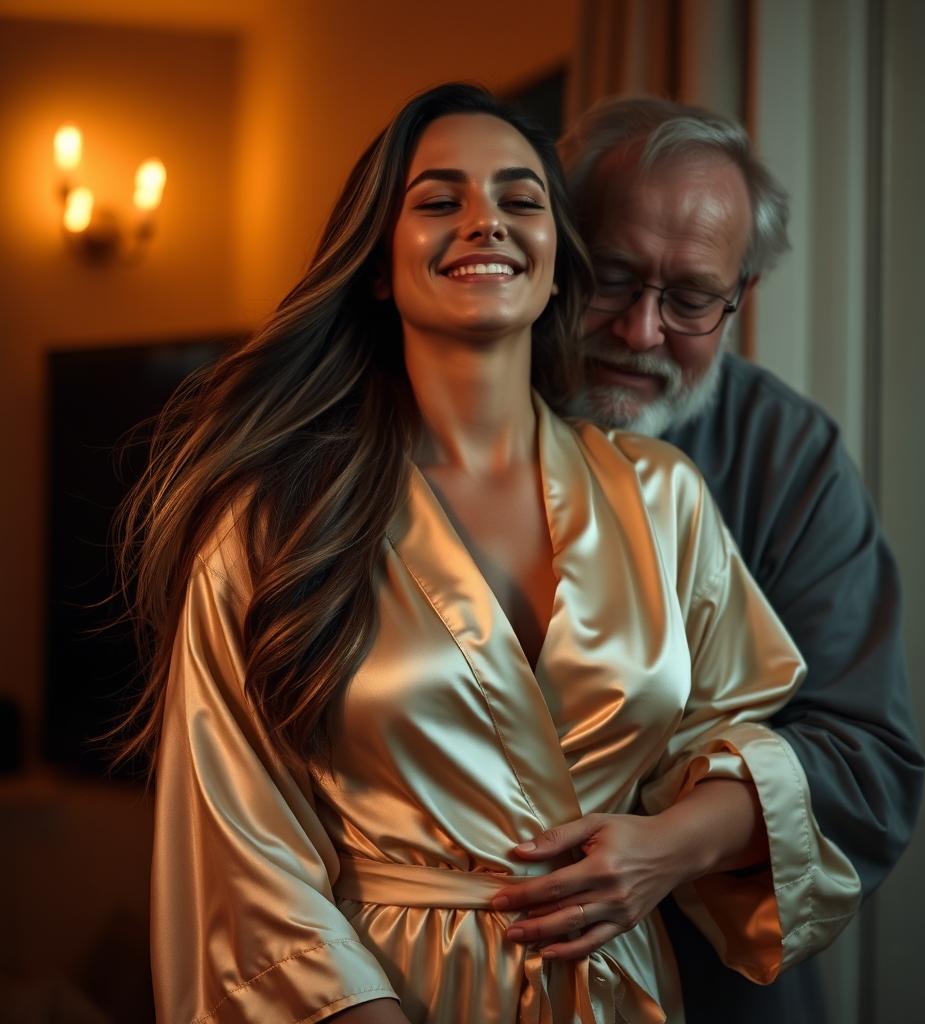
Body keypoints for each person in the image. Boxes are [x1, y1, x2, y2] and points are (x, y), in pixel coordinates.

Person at [118, 84, 860, 1024]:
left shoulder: (659, 493)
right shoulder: (272, 521)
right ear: (380, 267)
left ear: (557, 265)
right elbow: (241, 859)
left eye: (520, 200)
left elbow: (732, 742)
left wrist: (673, 840)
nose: (485, 222)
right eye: (438, 200)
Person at [558, 95, 925, 1023]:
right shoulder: (451, 421)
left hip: (713, 988)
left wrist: (671, 847)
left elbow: (867, 759)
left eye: (688, 299)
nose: (641, 332)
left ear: (740, 298)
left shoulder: (788, 455)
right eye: (610, 278)